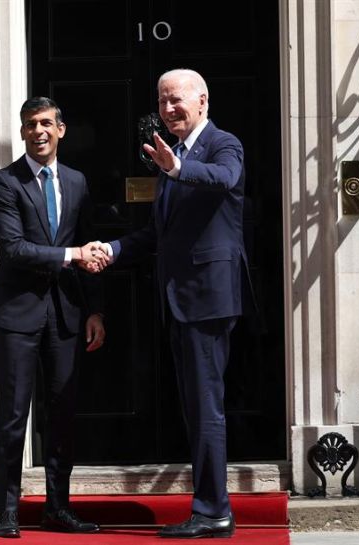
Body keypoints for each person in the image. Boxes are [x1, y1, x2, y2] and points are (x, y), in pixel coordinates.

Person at [94, 68, 254, 539]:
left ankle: (213, 511)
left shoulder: (222, 144)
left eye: (176, 99)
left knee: (206, 408)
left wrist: (178, 169)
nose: (168, 109)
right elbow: (157, 234)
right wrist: (114, 250)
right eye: (162, 101)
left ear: (202, 100)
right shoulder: (173, 157)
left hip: (207, 298)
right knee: (197, 406)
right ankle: (210, 506)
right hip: (180, 299)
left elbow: (225, 179)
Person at [0, 96, 109, 538]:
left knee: (63, 414)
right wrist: (72, 255)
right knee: (14, 415)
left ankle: (59, 507)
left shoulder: (76, 182)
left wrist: (94, 309)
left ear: (61, 129)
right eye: (29, 125)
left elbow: (89, 243)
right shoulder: (4, 182)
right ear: (22, 133)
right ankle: (7, 511)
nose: (37, 131)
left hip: (66, 315)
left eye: (45, 123)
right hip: (18, 313)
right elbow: (15, 248)